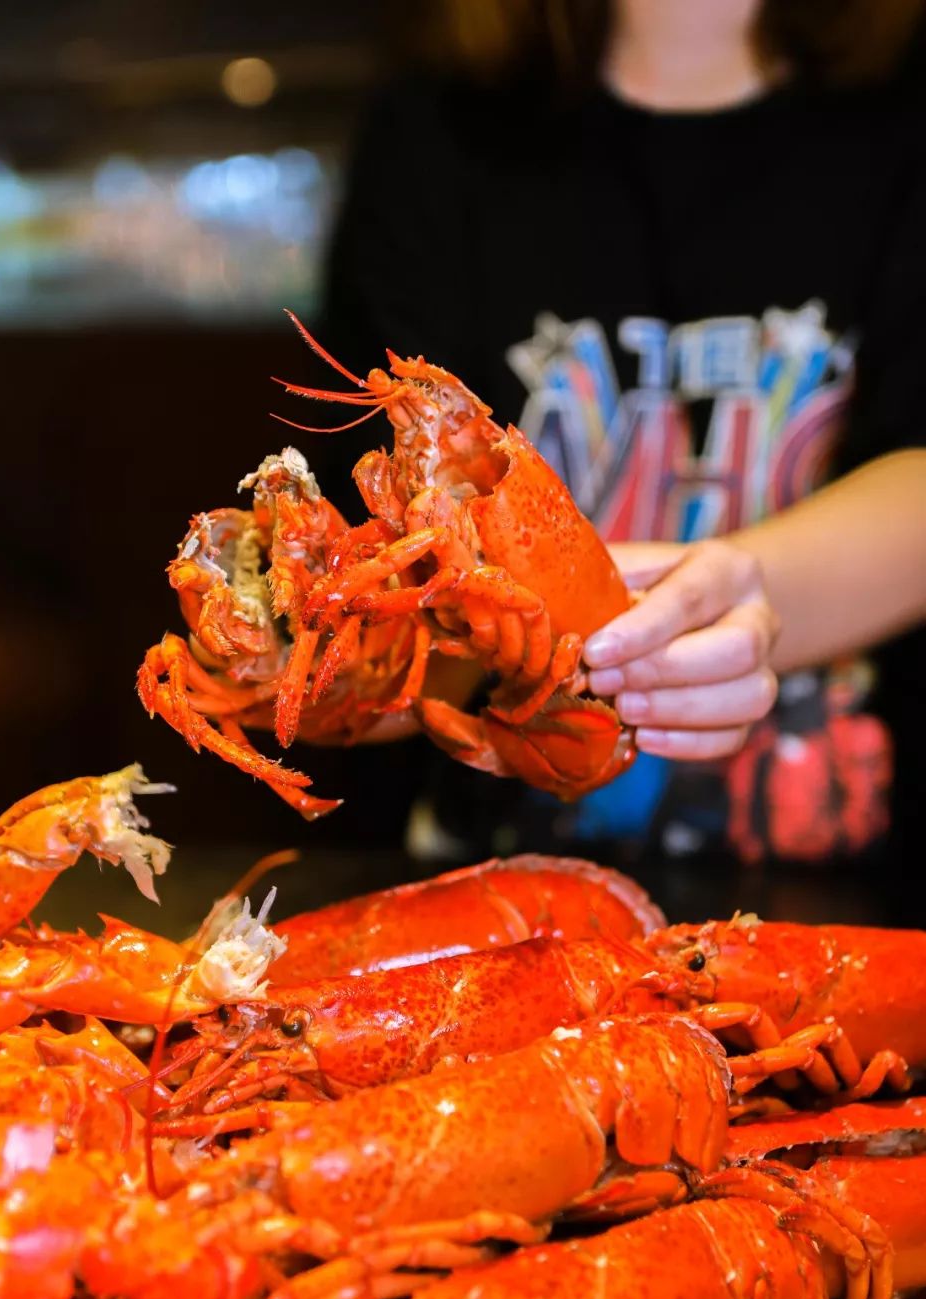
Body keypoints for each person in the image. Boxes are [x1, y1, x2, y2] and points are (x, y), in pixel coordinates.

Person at [312, 0, 926, 865]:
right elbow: (377, 550)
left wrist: (744, 597)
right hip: (491, 873)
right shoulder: (427, 128)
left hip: (861, 868)